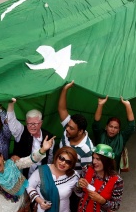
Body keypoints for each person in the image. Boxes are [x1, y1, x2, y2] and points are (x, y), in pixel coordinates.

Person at [0, 136, 56, 212]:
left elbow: (31, 160)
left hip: (23, 207)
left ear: (1, 157)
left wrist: (43, 149)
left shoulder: (13, 164)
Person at [58, 81, 94, 212]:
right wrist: (65, 89)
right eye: (67, 125)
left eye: (71, 128)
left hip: (73, 186)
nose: (67, 129)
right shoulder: (69, 128)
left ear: (80, 131)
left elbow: (86, 174)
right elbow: (62, 109)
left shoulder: (87, 150)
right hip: (58, 175)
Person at [7, 98, 54, 178]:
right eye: (29, 124)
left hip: (40, 176)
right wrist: (10, 104)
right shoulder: (21, 131)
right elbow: (11, 121)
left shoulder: (48, 137)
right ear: (26, 122)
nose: (32, 126)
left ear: (41, 123)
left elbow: (50, 157)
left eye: (35, 123)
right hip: (21, 175)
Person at [26, 146, 79, 212]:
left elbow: (79, 194)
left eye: (68, 162)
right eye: (61, 158)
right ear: (56, 157)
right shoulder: (42, 171)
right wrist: (39, 200)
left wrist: (80, 186)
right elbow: (29, 185)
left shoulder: (74, 176)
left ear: (72, 165)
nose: (63, 163)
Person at [76, 144, 124, 212]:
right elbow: (78, 191)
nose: (94, 162)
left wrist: (101, 200)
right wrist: (78, 184)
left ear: (107, 161)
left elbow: (115, 206)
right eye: (93, 158)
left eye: (98, 159)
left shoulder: (117, 181)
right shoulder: (87, 169)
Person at [92, 96, 136, 169]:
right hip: (96, 169)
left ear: (119, 130)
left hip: (112, 171)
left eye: (116, 128)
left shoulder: (122, 137)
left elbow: (131, 126)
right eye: (110, 126)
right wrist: (100, 105)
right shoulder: (100, 134)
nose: (112, 129)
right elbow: (96, 123)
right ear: (106, 127)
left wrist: (128, 105)